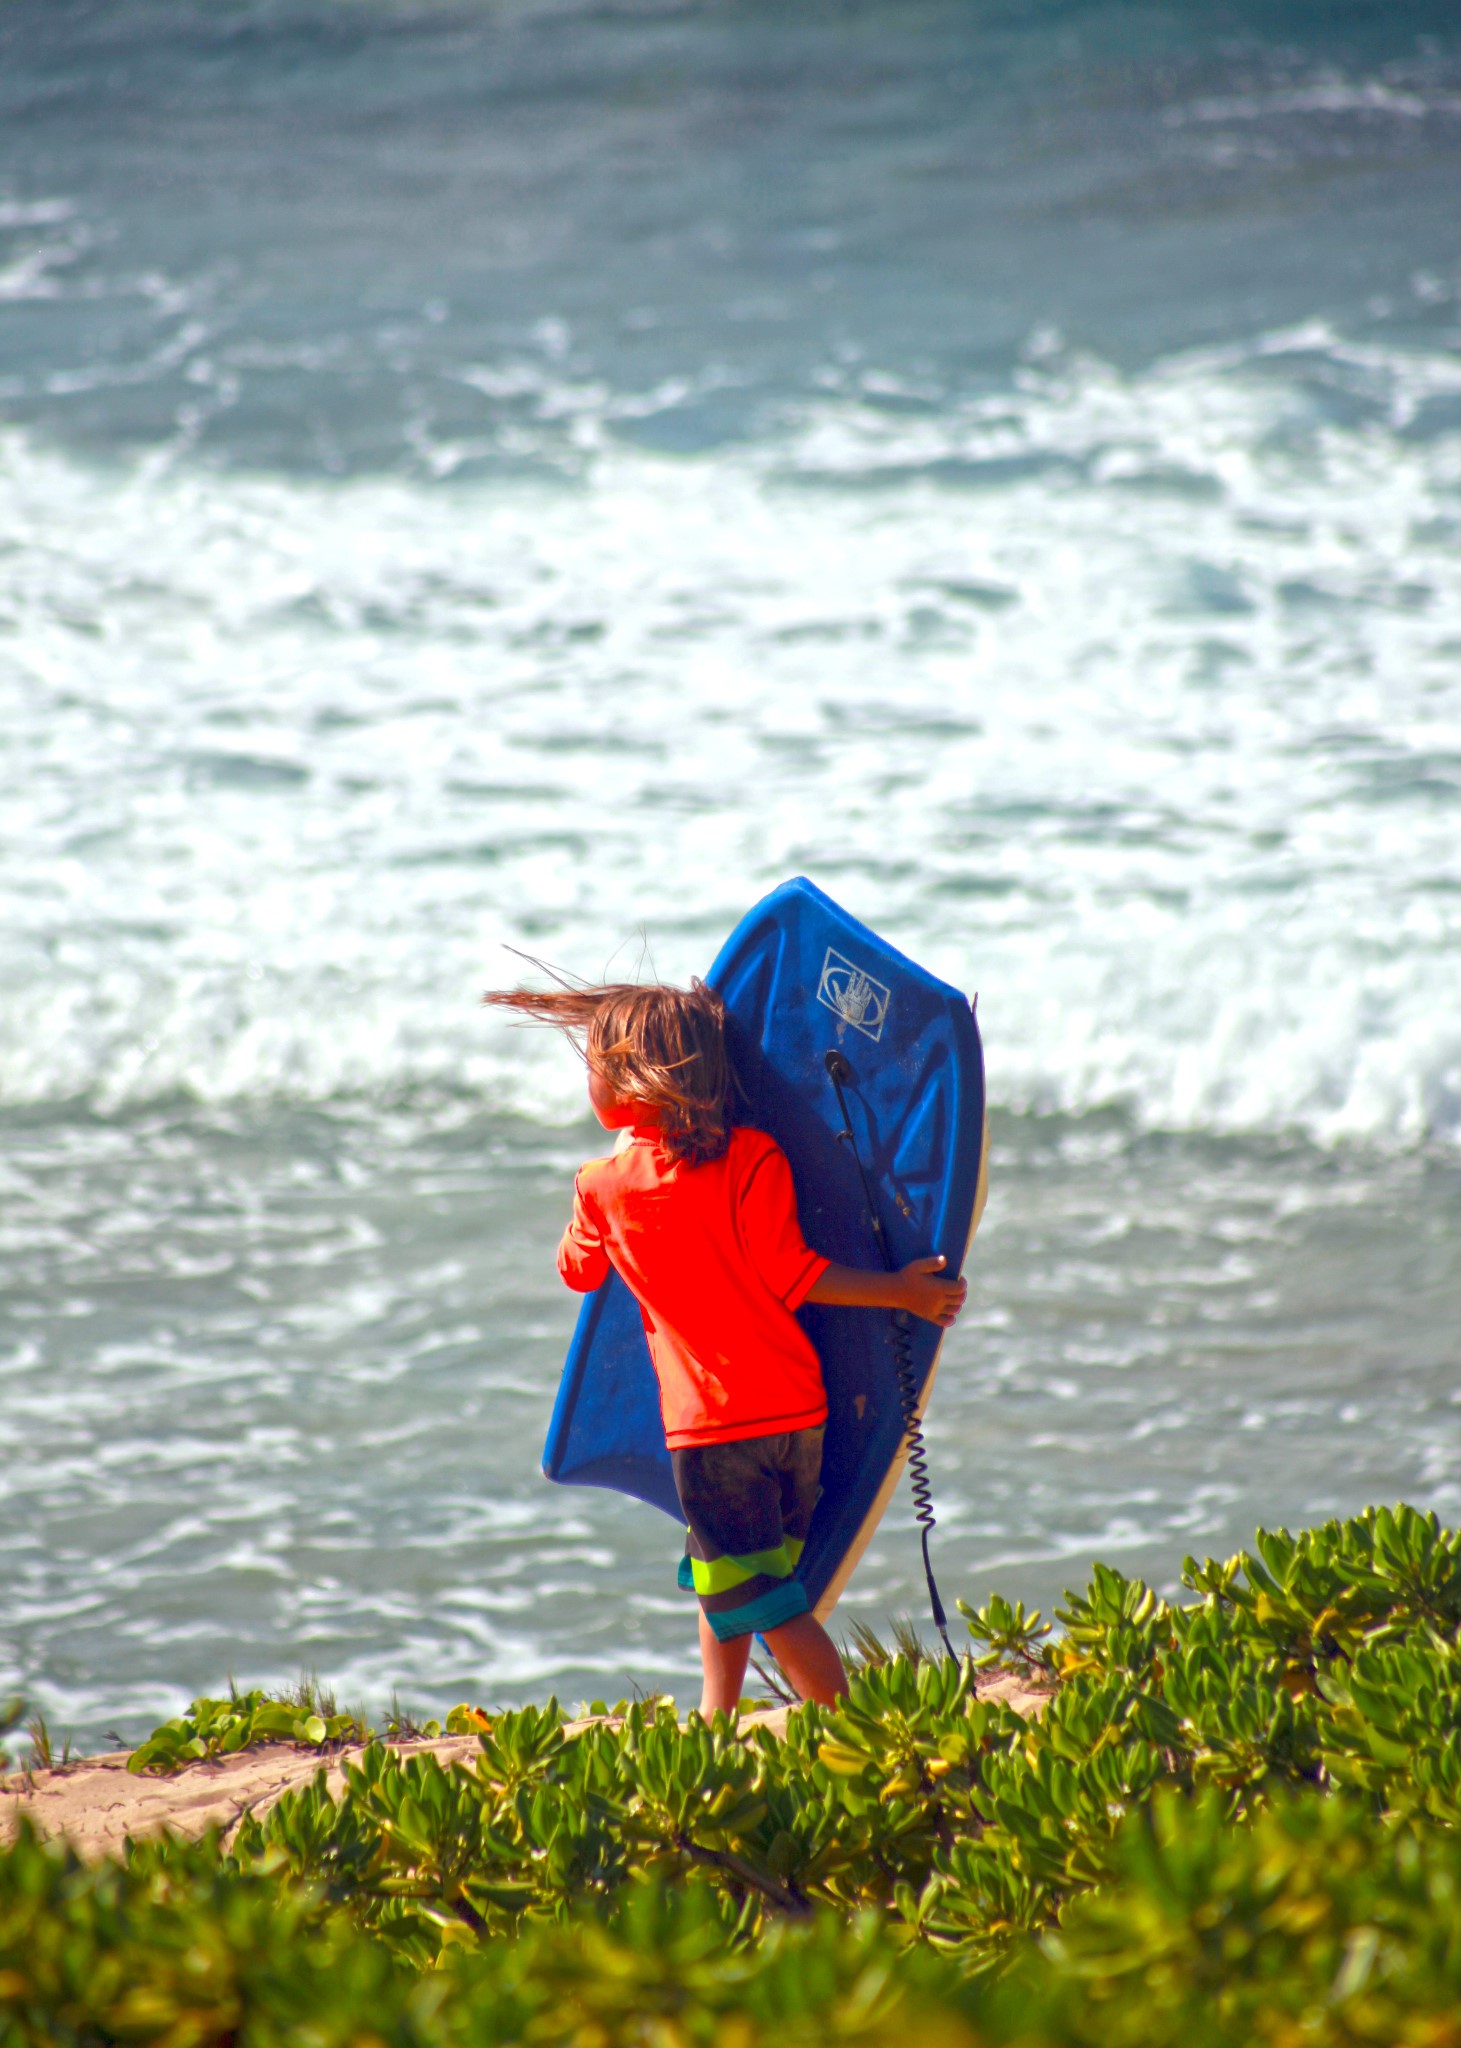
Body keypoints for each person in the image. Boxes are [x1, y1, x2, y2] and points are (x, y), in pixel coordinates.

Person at [482, 973, 967, 1718]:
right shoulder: (755, 1157)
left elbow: (577, 1272)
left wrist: (597, 1194)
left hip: (712, 1432)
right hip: (799, 1413)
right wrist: (901, 1291)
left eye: (594, 1068)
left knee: (765, 1602)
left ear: (631, 1080)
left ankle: (858, 1733)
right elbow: (796, 1275)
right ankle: (716, 1718)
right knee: (725, 1581)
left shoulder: (602, 1185)